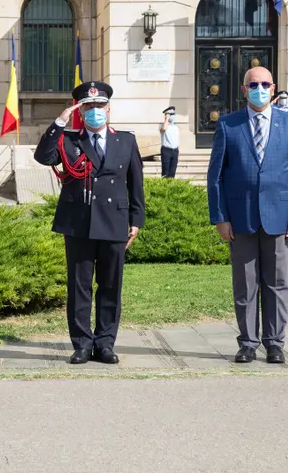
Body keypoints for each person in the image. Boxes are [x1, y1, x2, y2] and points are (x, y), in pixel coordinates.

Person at [34, 81, 146, 365]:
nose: (95, 111)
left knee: (110, 285)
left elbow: (136, 183)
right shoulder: (68, 139)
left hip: (115, 221)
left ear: (108, 109)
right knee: (79, 286)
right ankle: (82, 344)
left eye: (99, 106)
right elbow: (42, 156)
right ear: (80, 111)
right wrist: (59, 122)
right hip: (78, 223)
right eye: (88, 107)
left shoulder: (126, 140)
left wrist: (136, 219)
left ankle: (105, 343)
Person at [206, 66, 288, 365]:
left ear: (273, 88)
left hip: (279, 216)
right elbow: (215, 177)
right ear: (244, 89)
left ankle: (275, 343)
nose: (259, 89)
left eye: (265, 84)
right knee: (246, 283)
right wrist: (220, 217)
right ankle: (248, 343)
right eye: (253, 84)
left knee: (277, 282)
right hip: (241, 218)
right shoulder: (228, 125)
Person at [159, 106, 179, 178]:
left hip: (175, 151)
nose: (173, 116)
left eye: (174, 114)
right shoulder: (162, 125)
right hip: (166, 150)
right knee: (165, 171)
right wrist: (166, 119)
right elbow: (163, 129)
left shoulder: (176, 127)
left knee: (173, 171)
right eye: (171, 115)